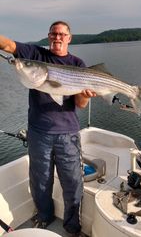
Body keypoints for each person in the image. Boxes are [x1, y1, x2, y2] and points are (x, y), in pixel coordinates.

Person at [0, 21, 96, 237]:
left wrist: (85, 94)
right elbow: (6, 45)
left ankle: (72, 227)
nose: (57, 37)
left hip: (68, 134)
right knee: (40, 180)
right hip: (38, 133)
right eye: (54, 33)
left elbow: (80, 104)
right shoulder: (35, 54)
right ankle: (44, 216)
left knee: (72, 182)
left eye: (62, 34)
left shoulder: (77, 63)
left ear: (69, 38)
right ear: (48, 36)